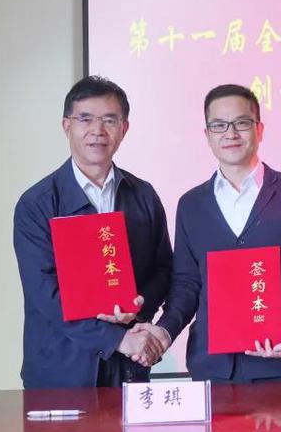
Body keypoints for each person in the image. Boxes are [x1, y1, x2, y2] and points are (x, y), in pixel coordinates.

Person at [142, 83, 281, 382]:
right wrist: (165, 330)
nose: (230, 134)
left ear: (259, 129)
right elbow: (187, 283)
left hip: (280, 366)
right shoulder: (191, 204)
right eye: (219, 125)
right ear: (207, 135)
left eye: (241, 123)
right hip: (212, 369)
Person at [13, 75, 172, 388]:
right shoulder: (38, 203)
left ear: (124, 129)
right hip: (60, 371)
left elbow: (164, 269)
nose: (97, 130)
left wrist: (137, 308)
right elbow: (44, 292)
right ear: (66, 126)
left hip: (127, 368)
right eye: (85, 119)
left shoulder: (143, 195)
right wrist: (116, 339)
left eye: (109, 120)